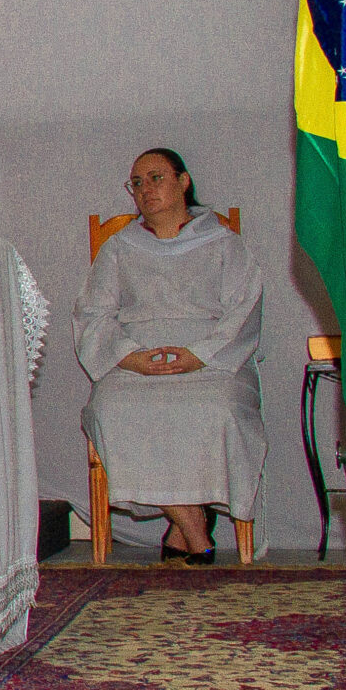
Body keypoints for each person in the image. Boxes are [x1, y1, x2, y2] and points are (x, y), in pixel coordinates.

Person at [74, 149, 265, 564]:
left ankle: (184, 528)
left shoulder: (223, 244)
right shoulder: (118, 248)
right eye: (137, 183)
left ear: (183, 181)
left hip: (211, 359)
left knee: (218, 408)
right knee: (112, 408)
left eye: (156, 177)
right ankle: (195, 528)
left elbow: (244, 309)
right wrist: (130, 358)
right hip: (137, 360)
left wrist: (199, 355)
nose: (145, 189)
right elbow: (93, 315)